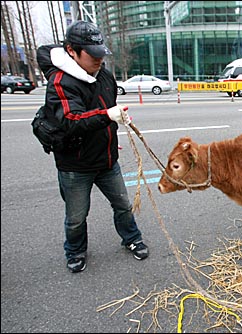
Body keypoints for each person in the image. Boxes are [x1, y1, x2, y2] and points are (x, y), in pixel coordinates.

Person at [36, 20, 149, 273]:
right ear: (72, 51)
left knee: (122, 204)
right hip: (75, 165)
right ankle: (75, 251)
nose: (99, 60)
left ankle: (132, 238)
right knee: (76, 216)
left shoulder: (104, 75)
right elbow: (70, 120)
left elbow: (106, 111)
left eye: (101, 53)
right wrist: (108, 116)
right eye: (92, 54)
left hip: (107, 160)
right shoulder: (60, 82)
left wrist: (113, 127)